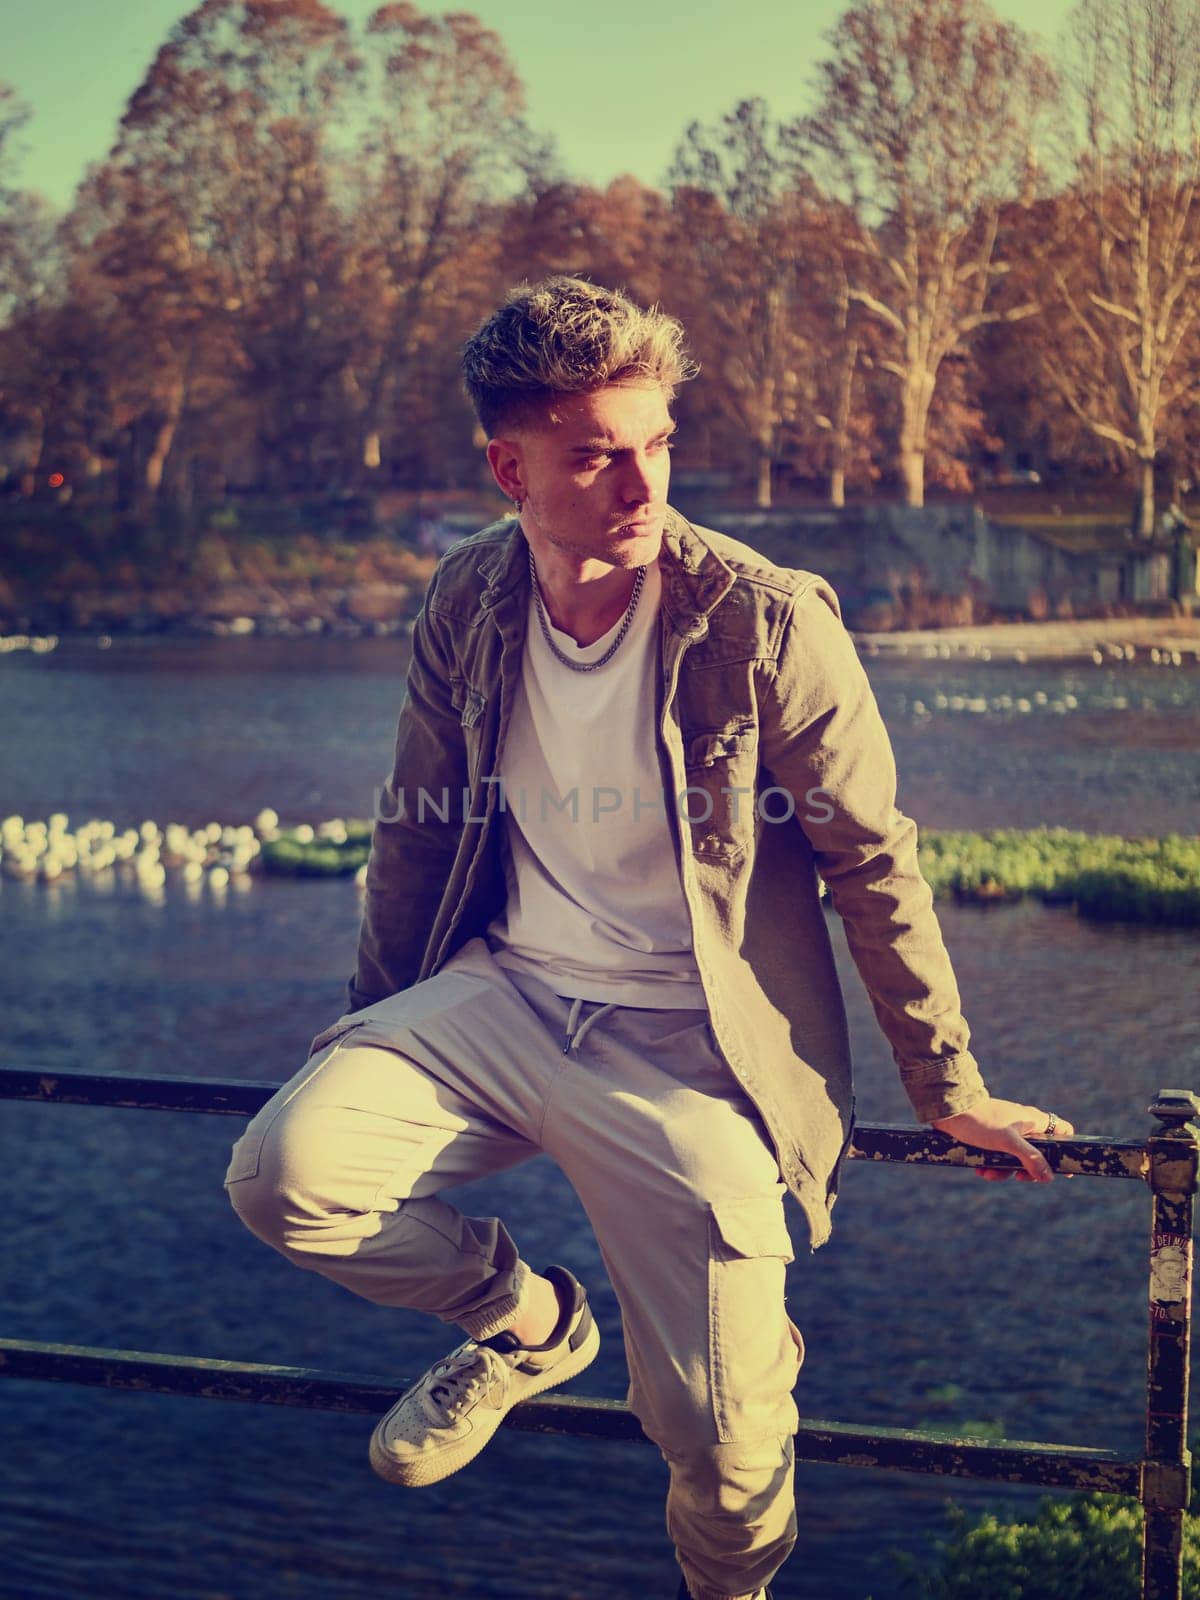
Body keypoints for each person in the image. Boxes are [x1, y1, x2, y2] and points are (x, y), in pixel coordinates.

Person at [225, 276, 1074, 1600]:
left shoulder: (766, 618)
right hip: (501, 1000)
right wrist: (370, 1032)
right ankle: (531, 1323)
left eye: (657, 447)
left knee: (724, 1448)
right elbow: (418, 833)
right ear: (509, 467)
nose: (641, 488)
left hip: (693, 1048)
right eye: (596, 457)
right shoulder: (466, 599)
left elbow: (871, 855)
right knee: (288, 1171)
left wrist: (946, 1084)